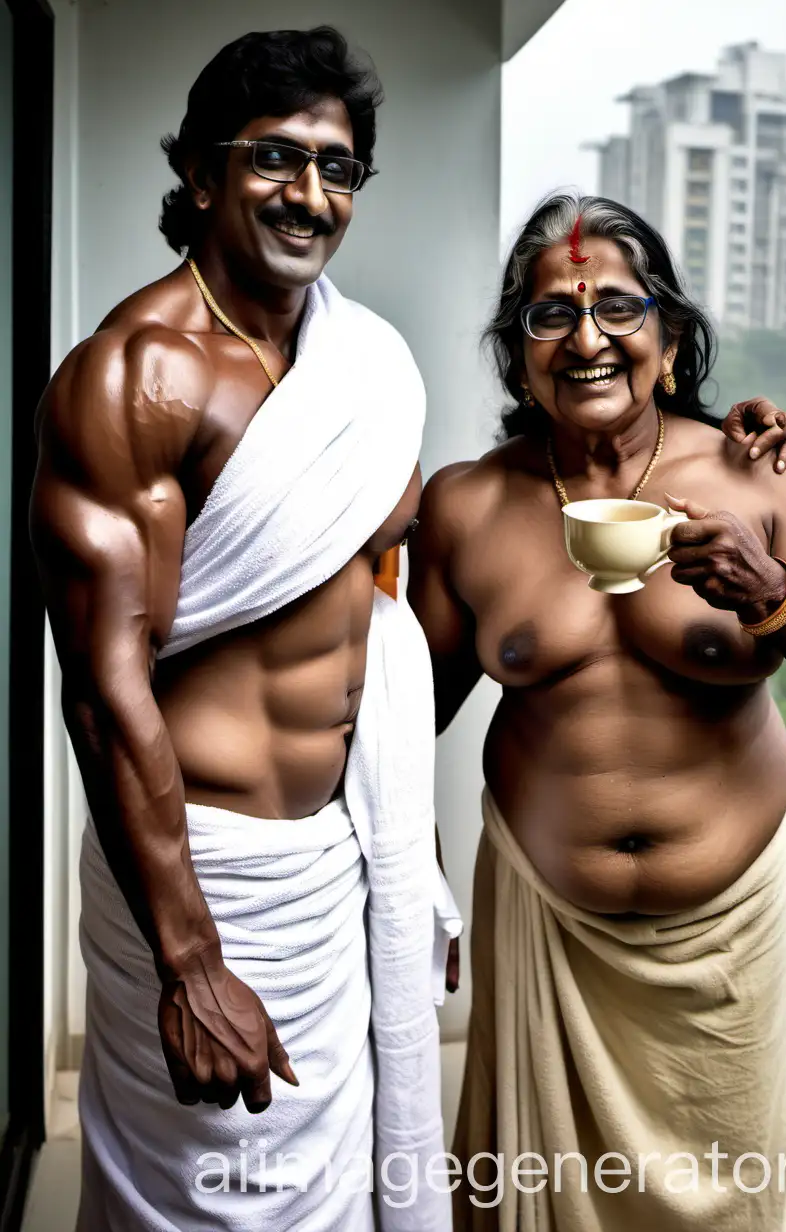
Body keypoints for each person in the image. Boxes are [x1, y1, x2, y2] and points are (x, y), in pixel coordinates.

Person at [408, 194, 786, 1232]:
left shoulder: (754, 475)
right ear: (518, 356)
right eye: (551, 315)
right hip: (543, 929)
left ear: (671, 338)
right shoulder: (467, 505)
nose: (587, 339)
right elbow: (397, 710)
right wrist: (407, 862)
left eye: (617, 309)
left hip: (722, 952)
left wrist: (775, 594)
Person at [30, 27, 459, 1232]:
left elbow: (370, 623)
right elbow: (102, 696)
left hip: (328, 862)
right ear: (204, 174)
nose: (310, 194)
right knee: (205, 1205)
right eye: (276, 158)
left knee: (326, 1200)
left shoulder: (363, 365)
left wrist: (409, 858)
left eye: (337, 167)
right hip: (199, 874)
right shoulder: (135, 377)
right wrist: (192, 964)